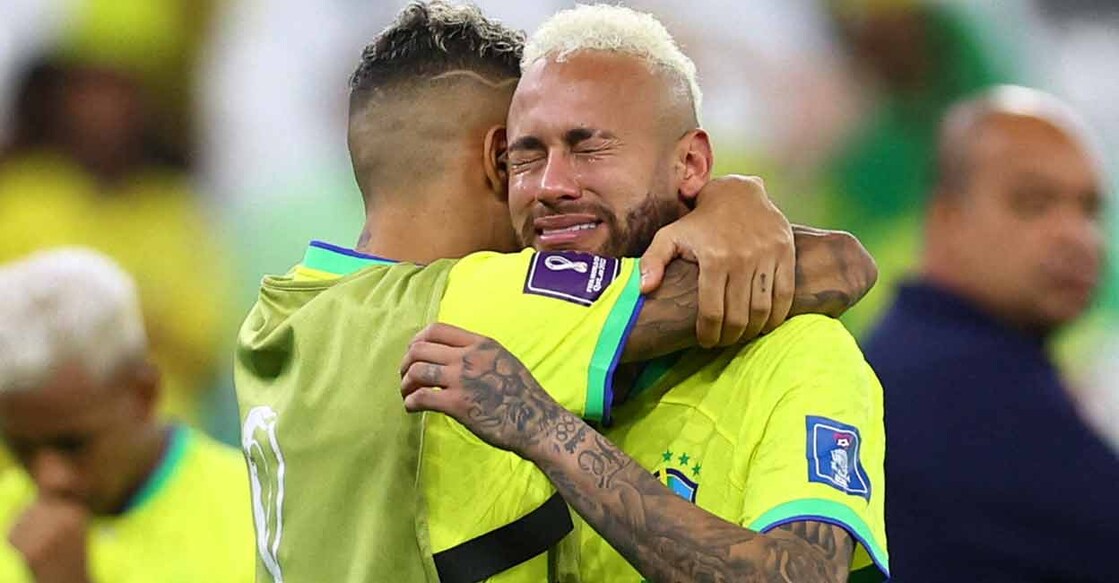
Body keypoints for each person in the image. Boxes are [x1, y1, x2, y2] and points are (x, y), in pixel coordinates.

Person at [234, 2, 878, 582]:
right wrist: (731, 207)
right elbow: (837, 267)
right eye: (527, 153)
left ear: (688, 160)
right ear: (496, 159)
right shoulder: (484, 311)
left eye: (587, 145)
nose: (550, 184)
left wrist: (726, 202)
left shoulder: (278, 317)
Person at [860, 86, 1119, 582]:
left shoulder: (905, 351)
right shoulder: (957, 384)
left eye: (1089, 209)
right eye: (1033, 203)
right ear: (946, 220)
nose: (1076, 235)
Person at [0, 248, 253, 583]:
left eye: (73, 445)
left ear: (143, 393)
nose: (50, 477)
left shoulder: (257, 518)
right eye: (21, 448)